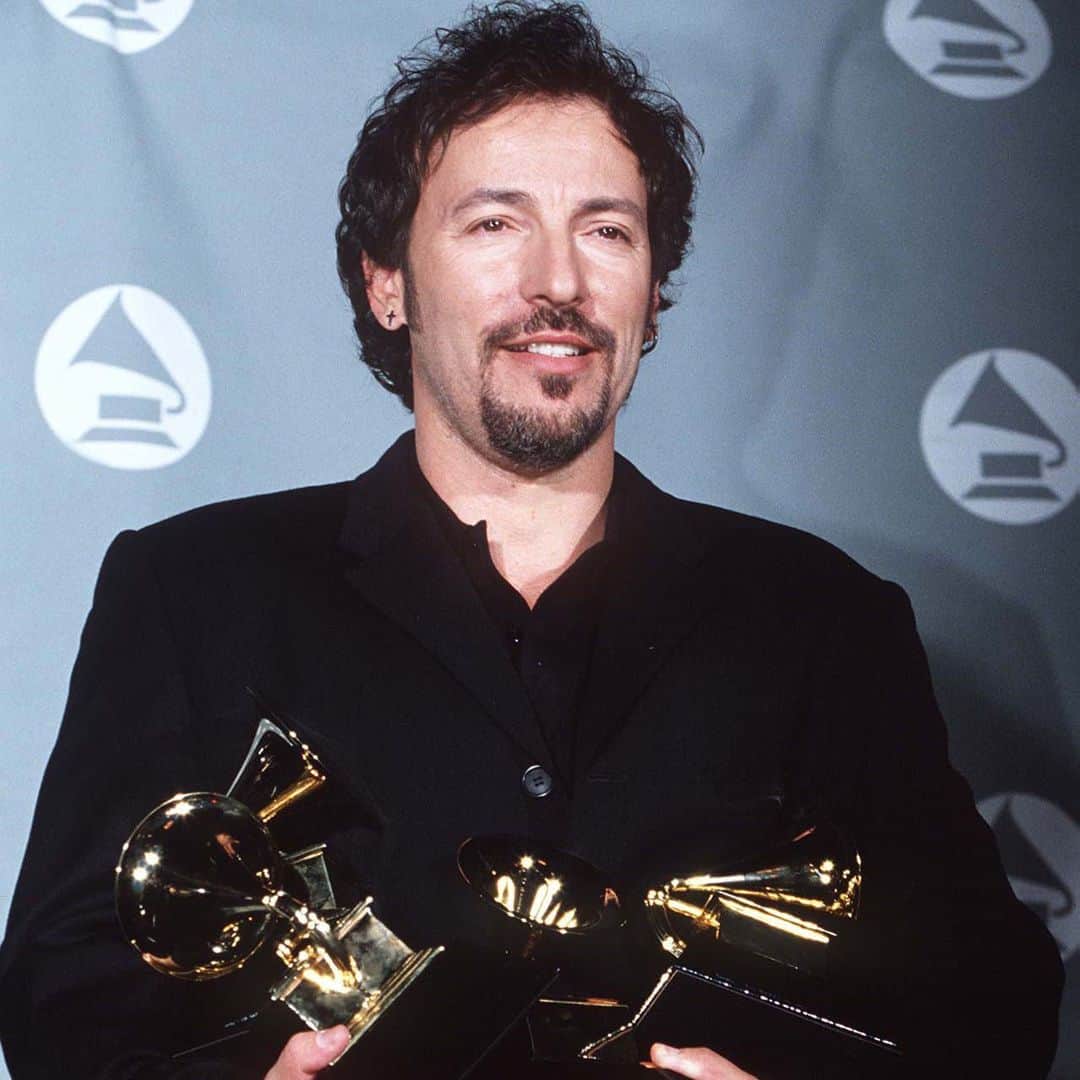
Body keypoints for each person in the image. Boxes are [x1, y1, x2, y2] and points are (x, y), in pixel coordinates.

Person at [0, 3, 1063, 1079]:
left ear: (653, 296)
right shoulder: (195, 590)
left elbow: (995, 1003)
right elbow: (63, 997)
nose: (559, 282)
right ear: (387, 282)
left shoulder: (824, 616)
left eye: (607, 231)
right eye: (494, 224)